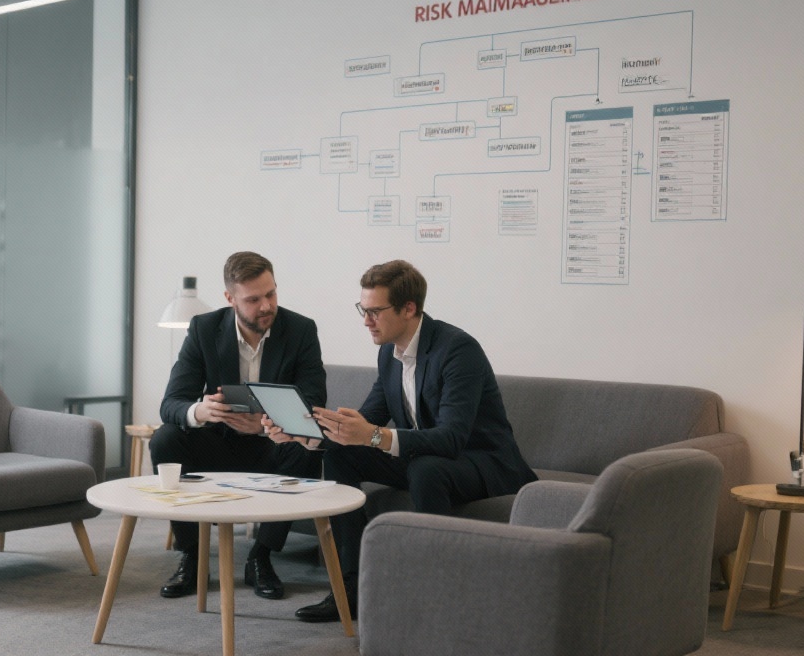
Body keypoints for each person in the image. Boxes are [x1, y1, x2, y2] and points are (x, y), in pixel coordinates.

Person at [266, 259, 536, 622]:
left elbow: (452, 438)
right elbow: (365, 423)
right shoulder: (388, 353)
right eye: (363, 310)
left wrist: (373, 436)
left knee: (426, 469)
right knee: (342, 458)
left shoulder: (457, 350)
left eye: (375, 312)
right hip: (425, 457)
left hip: (485, 461)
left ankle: (437, 594)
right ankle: (351, 587)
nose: (366, 321)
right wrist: (305, 436)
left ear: (409, 308)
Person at [150, 251, 326, 601]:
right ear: (230, 298)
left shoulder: (301, 330)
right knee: (165, 439)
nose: (267, 306)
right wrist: (202, 411)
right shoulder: (203, 329)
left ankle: (261, 556)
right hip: (217, 443)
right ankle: (192, 556)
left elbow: (313, 404)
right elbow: (171, 404)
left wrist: (263, 426)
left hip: (271, 445)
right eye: (253, 299)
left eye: (271, 293)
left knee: (308, 450)